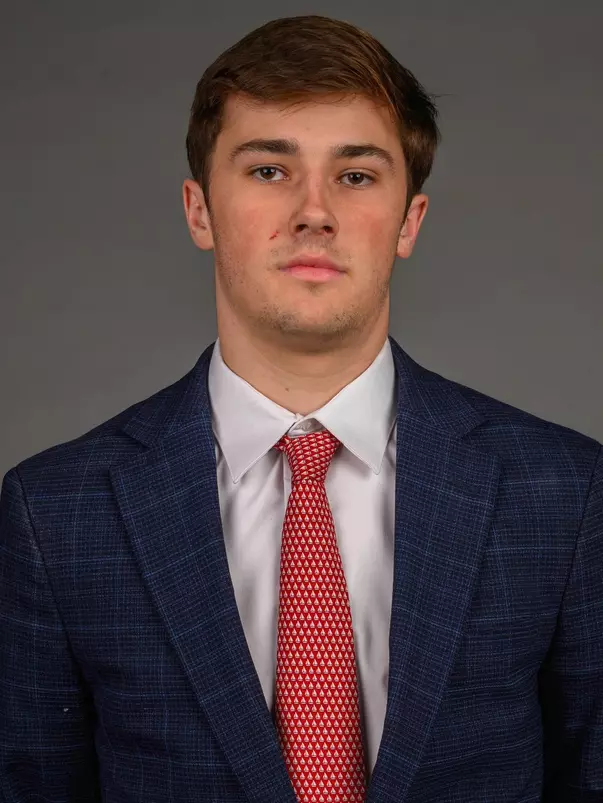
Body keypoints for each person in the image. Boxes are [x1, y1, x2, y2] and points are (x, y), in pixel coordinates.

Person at [0, 13, 601, 803]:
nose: (314, 211)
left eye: (355, 175)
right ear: (199, 211)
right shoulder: (56, 513)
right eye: (268, 171)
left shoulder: (564, 493)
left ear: (408, 221)